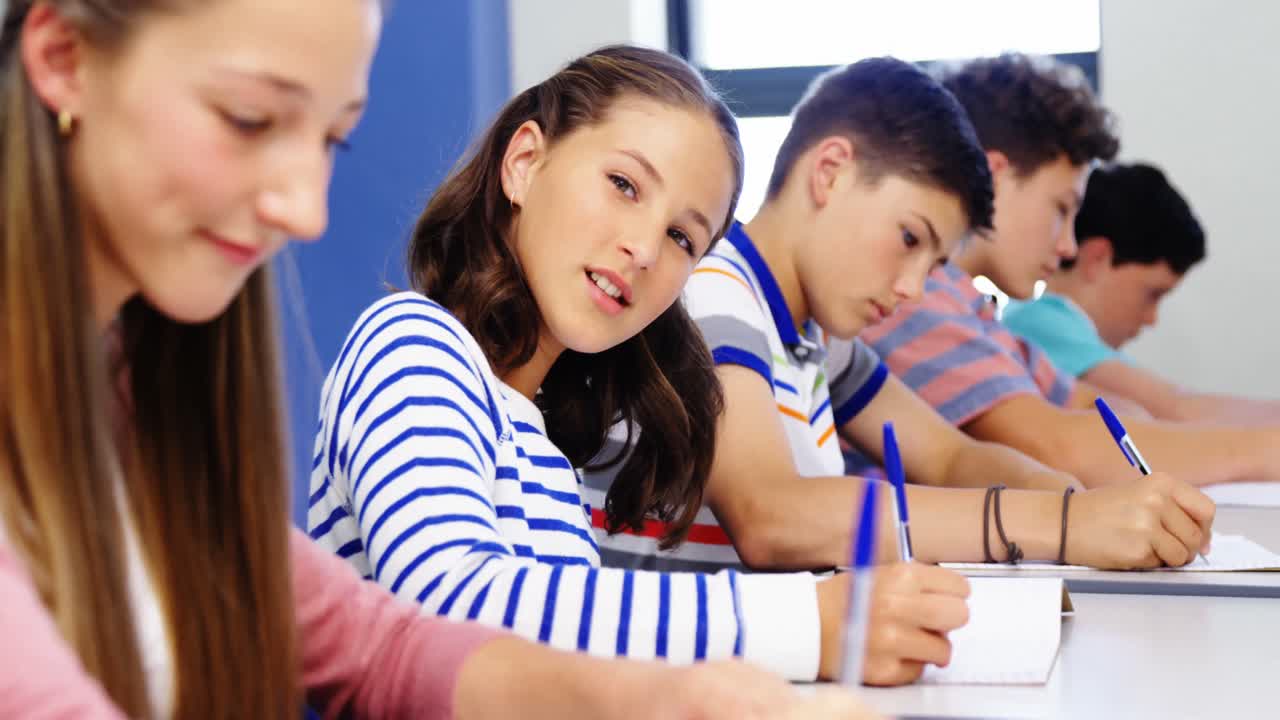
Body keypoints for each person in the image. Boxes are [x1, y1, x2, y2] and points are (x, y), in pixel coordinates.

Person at [0, 2, 872, 718]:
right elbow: (453, 598)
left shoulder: (139, 405)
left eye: (330, 140)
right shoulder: (416, 345)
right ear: (64, 55)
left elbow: (381, 644)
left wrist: (663, 697)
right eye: (250, 117)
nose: (307, 211)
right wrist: (795, 622)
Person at [309, 44, 969, 688]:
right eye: (624, 185)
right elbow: (455, 602)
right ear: (524, 162)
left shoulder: (544, 445)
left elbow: (566, 672)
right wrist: (811, 624)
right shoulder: (410, 343)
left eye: (684, 237)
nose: (647, 248)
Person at [587, 57, 1216, 583]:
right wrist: (1064, 527)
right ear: (830, 173)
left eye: (936, 260)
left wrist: (1078, 500)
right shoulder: (714, 291)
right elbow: (771, 515)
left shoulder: (819, 340)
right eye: (910, 238)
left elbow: (949, 459)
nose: (914, 288)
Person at [861, 53, 1280, 488]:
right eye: (1061, 209)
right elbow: (1059, 448)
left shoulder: (979, 317)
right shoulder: (917, 297)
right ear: (994, 177)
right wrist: (1267, 450)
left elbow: (1104, 409)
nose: (1067, 247)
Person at [1004, 162, 1280, 425]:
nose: (1152, 319)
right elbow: (1175, 409)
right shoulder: (1037, 324)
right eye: (1153, 294)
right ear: (1098, 258)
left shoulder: (1067, 335)